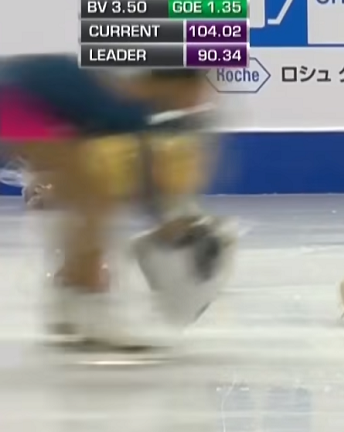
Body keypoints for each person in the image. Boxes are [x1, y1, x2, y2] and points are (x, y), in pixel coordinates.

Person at [0, 54, 227, 350]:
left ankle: (73, 301)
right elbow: (148, 184)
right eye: (201, 89)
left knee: (90, 197)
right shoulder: (127, 104)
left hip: (18, 101)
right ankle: (83, 309)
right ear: (178, 85)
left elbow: (143, 183)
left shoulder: (126, 100)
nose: (203, 99)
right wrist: (174, 229)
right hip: (13, 102)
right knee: (94, 199)